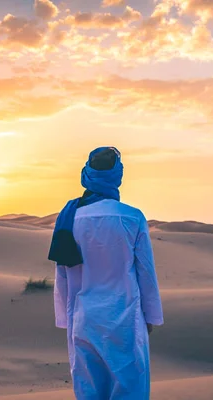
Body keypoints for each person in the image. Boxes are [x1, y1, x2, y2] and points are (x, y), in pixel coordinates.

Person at [48, 147, 164, 399]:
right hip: (125, 318)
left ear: (87, 173)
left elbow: (62, 274)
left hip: (84, 318)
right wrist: (150, 316)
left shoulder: (69, 218)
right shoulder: (132, 217)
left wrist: (66, 319)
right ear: (117, 175)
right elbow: (145, 271)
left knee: (89, 390)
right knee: (130, 389)